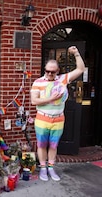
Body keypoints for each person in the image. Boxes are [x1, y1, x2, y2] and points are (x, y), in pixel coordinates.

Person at [30, 46, 85, 181]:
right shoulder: (38, 82)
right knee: (42, 145)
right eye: (47, 71)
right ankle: (43, 168)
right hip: (43, 118)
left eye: (52, 72)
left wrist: (76, 53)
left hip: (58, 119)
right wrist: (51, 98)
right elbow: (34, 101)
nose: (49, 74)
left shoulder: (63, 79)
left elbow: (80, 69)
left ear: (57, 71)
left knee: (54, 145)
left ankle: (51, 167)